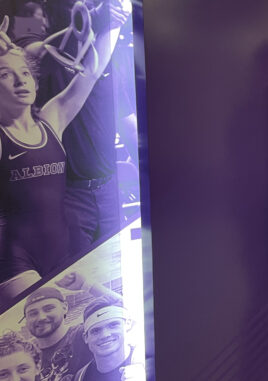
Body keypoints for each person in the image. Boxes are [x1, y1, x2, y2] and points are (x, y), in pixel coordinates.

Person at [0, 0, 131, 304]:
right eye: (6, 74)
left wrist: (114, 24)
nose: (21, 80)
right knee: (43, 318)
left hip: (63, 251)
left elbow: (92, 71)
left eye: (24, 72)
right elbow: (40, 49)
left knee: (103, 309)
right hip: (16, 262)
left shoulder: (51, 119)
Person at [21, 273, 123, 381]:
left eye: (48, 308)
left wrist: (87, 285)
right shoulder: (25, 355)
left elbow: (127, 309)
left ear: (65, 307)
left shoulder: (84, 334)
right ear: (26, 318)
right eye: (33, 313)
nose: (41, 317)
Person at [73, 299, 144, 381]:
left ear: (128, 324)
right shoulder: (80, 377)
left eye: (113, 325)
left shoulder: (148, 364)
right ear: (86, 338)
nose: (105, 335)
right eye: (96, 330)